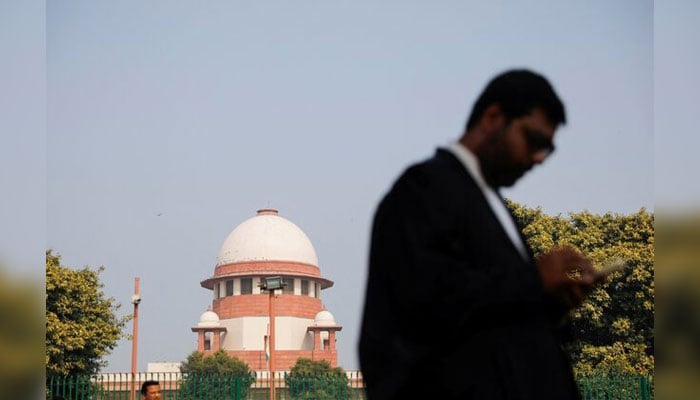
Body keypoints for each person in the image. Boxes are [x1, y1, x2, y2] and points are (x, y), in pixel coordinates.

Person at [359, 69, 604, 399]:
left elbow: (491, 316)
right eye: (533, 141)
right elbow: (423, 309)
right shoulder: (424, 189)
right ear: (492, 118)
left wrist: (550, 302)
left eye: (547, 150)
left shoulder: (491, 205)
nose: (537, 159)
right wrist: (534, 280)